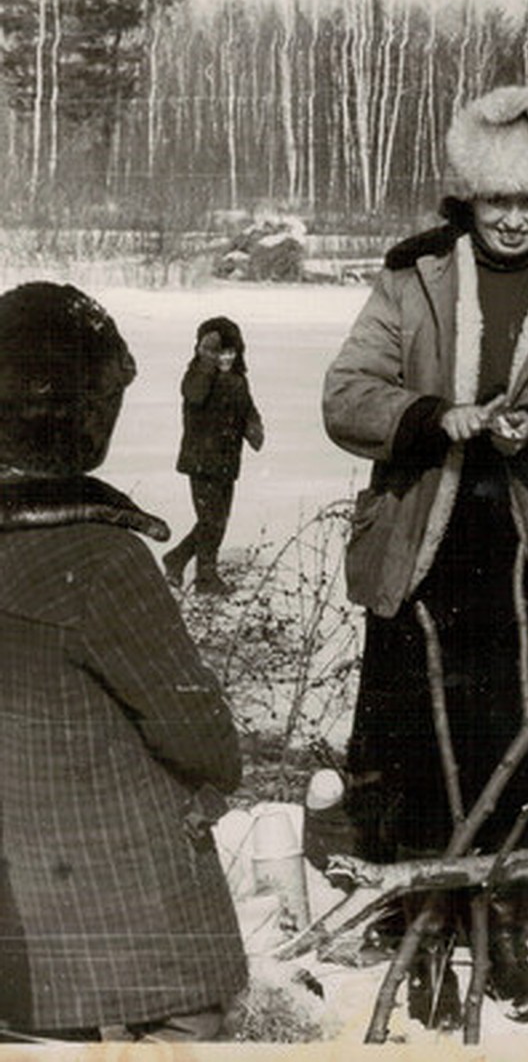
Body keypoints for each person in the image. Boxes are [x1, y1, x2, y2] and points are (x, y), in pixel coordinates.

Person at [323, 86, 528, 1027]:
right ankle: (425, 928)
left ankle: (502, 930)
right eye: (496, 200)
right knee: (416, 745)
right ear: (466, 198)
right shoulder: (413, 275)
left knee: (523, 747)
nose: (512, 219)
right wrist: (428, 416)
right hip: (424, 548)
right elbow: (349, 393)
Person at [0, 282, 247, 1042]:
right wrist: (212, 780)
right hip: (118, 899)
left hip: (21, 910)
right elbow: (193, 723)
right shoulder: (102, 558)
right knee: (193, 1021)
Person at [162, 315, 264, 595]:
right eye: (219, 352)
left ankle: (177, 558)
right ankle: (205, 578)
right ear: (205, 352)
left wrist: (254, 426)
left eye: (231, 351)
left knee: (217, 521)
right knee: (211, 521)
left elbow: (248, 409)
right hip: (201, 461)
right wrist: (206, 360)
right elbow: (194, 395)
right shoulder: (197, 376)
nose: (226, 358)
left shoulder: (238, 380)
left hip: (227, 463)